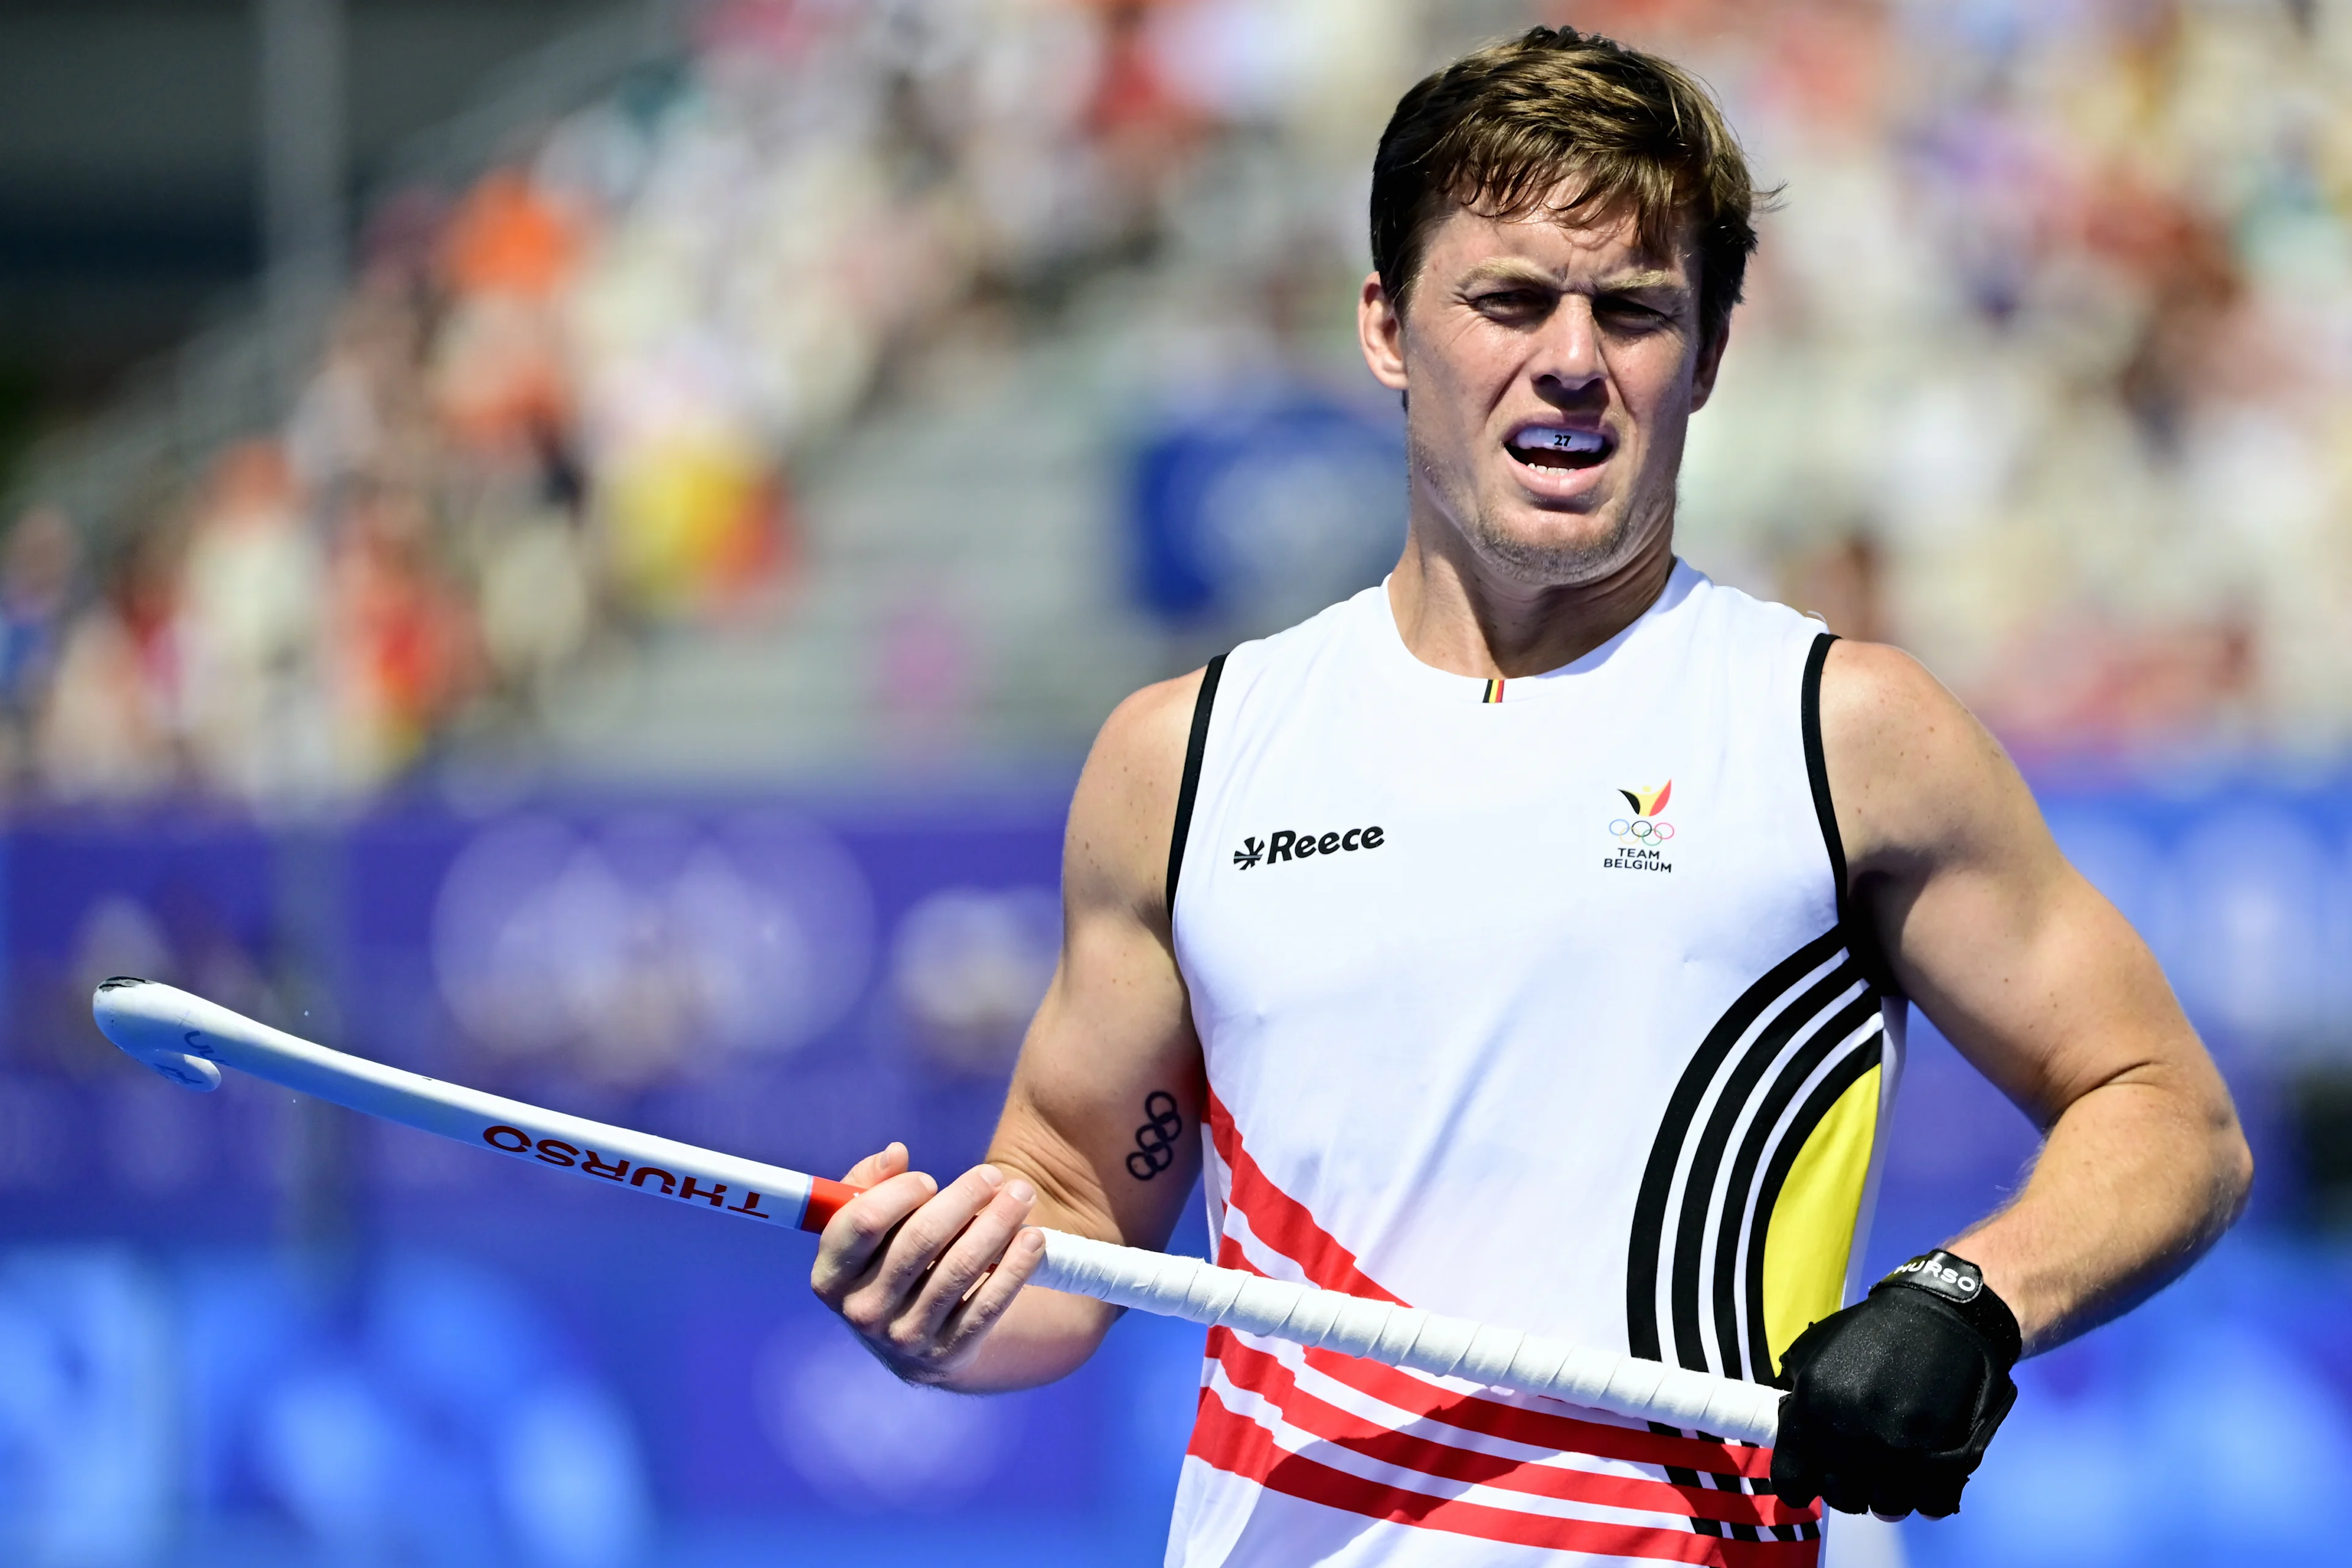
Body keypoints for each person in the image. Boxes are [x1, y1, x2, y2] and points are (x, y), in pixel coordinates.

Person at [812, 26, 2252, 1565]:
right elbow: (1072, 1219)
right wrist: (938, 1307)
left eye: (1633, 310)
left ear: (1703, 356)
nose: (1570, 357)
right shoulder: (1190, 753)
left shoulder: (1844, 729)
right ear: (1386, 326)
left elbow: (2173, 1115)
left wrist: (1971, 1297)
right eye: (1508, 298)